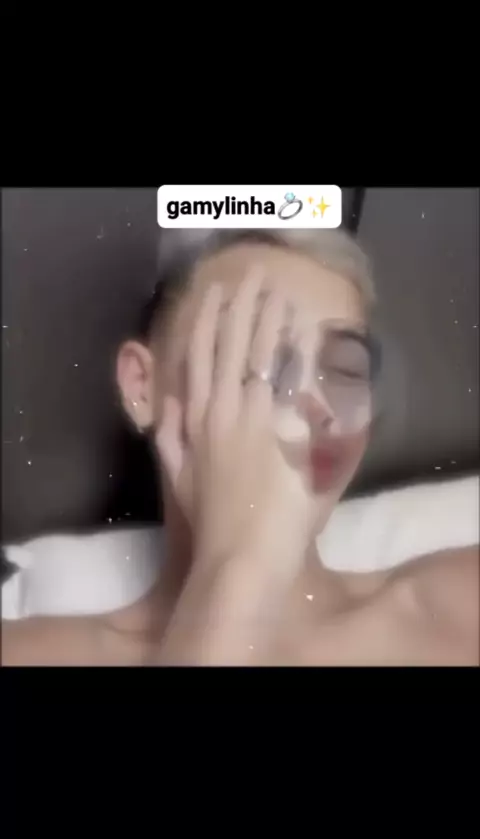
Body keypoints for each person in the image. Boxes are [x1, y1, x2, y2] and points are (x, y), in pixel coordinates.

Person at [3, 229, 478, 666]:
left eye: (345, 371)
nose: (315, 402)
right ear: (143, 386)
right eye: (252, 354)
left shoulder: (460, 601)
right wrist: (239, 563)